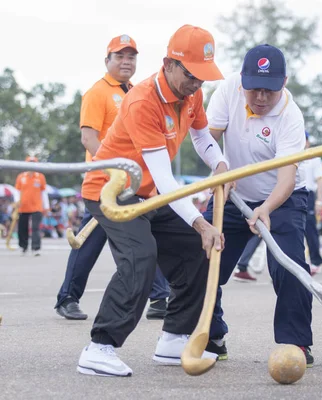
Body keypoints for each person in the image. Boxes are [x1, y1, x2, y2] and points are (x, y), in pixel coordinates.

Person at [76, 24, 228, 377]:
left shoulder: (192, 94)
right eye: (191, 75)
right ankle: (99, 348)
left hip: (149, 194)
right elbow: (163, 176)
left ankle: (174, 339)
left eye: (203, 78)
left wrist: (220, 164)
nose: (197, 84)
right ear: (168, 64)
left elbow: (203, 138)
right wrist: (201, 221)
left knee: (197, 250)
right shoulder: (143, 100)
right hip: (111, 191)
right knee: (141, 257)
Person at [204, 44, 314, 366]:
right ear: (242, 82)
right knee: (203, 259)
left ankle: (296, 344)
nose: (262, 98)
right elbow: (206, 137)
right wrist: (220, 167)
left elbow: (287, 178)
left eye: (270, 90)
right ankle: (212, 335)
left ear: (284, 82)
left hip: (282, 199)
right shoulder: (227, 91)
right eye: (254, 90)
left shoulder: (291, 116)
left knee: (289, 265)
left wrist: (266, 208)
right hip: (232, 193)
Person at [54, 34, 170, 321]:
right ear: (107, 60)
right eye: (119, 56)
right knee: (93, 241)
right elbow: (88, 137)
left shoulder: (136, 91)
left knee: (140, 237)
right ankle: (67, 297)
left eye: (131, 56)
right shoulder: (98, 92)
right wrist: (113, 171)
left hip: (132, 184)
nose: (126, 61)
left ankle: (158, 297)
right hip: (105, 183)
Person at [300, 131, 322, 274]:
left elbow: (320, 179)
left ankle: (316, 260)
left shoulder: (313, 157)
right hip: (292, 192)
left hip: (309, 195)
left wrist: (319, 201)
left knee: (310, 229)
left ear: (308, 141)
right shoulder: (289, 154)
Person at [14, 156, 49, 256]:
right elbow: (17, 190)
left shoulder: (40, 177)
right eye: (30, 162)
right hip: (23, 206)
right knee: (22, 227)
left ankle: (36, 248)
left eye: (34, 162)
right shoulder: (21, 176)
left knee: (35, 228)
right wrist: (17, 201)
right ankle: (23, 246)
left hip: (36, 207)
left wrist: (46, 206)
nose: (32, 164)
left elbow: (44, 193)